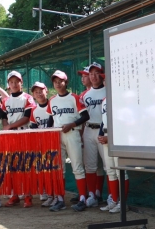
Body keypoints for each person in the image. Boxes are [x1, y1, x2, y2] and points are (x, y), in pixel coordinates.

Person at [46, 70, 90, 212]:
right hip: (57, 135)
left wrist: (72, 124)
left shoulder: (74, 98)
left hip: (72, 133)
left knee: (77, 166)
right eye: (55, 81)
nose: (58, 84)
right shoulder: (52, 100)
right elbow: (50, 119)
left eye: (60, 81)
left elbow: (85, 116)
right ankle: (60, 200)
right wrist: (48, 133)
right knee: (59, 169)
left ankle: (82, 199)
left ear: (66, 82)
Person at [0, 71, 36, 208]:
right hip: (10, 135)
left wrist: (9, 126)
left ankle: (27, 195)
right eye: (11, 82)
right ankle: (15, 195)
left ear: (21, 83)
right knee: (11, 166)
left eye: (17, 82)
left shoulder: (27, 98)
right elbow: (4, 116)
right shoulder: (6, 100)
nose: (14, 84)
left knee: (25, 166)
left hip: (23, 132)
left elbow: (27, 117)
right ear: (8, 84)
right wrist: (6, 127)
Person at [97, 70, 128, 214]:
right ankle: (114, 201)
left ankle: (123, 203)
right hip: (106, 136)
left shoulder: (121, 98)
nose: (106, 82)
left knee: (121, 171)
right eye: (105, 80)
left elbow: (124, 122)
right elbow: (103, 121)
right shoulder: (104, 100)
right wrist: (101, 135)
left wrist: (111, 137)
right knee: (110, 171)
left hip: (119, 137)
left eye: (109, 79)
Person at [80, 62, 108, 207]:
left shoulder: (108, 91)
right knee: (90, 166)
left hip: (104, 131)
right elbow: (81, 117)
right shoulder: (85, 95)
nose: (93, 76)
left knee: (107, 166)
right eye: (91, 74)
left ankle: (109, 195)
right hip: (89, 129)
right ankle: (91, 195)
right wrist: (81, 135)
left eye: (97, 73)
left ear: (102, 75)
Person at [29, 81, 56, 207]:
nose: (39, 94)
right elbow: (34, 128)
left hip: (55, 141)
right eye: (36, 92)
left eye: (41, 91)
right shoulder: (34, 110)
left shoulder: (53, 104)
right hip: (42, 143)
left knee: (55, 170)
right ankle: (49, 194)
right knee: (44, 169)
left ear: (46, 91)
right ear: (33, 95)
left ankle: (57, 195)